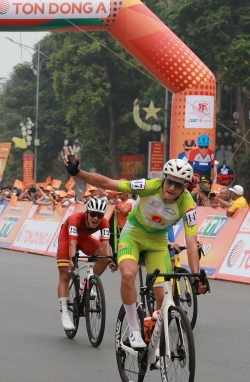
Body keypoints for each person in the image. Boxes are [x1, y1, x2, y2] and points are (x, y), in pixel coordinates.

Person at [63, 147, 202, 349]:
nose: (172, 188)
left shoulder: (188, 204)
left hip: (158, 242)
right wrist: (78, 172)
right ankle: (134, 329)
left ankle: (152, 339)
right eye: (169, 182)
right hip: (133, 235)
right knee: (128, 275)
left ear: (185, 187)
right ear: (163, 179)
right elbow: (109, 183)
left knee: (162, 299)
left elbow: (191, 240)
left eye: (178, 185)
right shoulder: (149, 186)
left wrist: (196, 276)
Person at [56, 198, 117, 330]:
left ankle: (86, 283)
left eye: (100, 215)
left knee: (103, 258)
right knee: (65, 275)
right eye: (93, 214)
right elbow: (72, 243)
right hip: (68, 238)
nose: (96, 218)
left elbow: (106, 244)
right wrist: (73, 260)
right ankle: (65, 312)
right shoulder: (75, 219)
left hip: (84, 239)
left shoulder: (104, 222)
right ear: (87, 212)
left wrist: (109, 260)